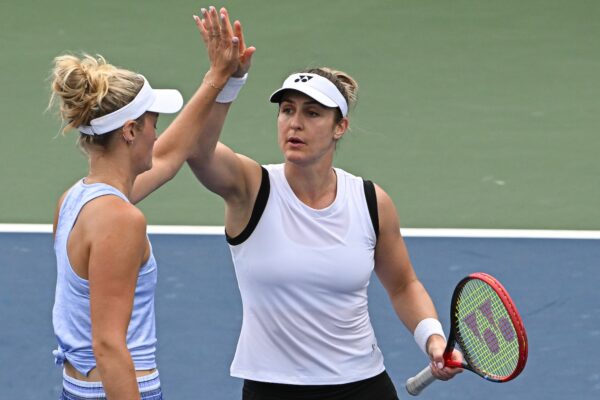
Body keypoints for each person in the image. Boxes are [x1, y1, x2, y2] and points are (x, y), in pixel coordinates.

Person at [186, 6, 463, 400]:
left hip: (363, 387)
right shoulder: (252, 188)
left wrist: (433, 339)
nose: (294, 123)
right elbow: (197, 151)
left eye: (312, 113)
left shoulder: (370, 201)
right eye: (287, 110)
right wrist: (226, 82)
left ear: (340, 127)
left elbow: (403, 285)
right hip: (273, 389)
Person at [49, 7, 247, 398]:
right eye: (154, 123)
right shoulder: (121, 219)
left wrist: (223, 79)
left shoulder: (76, 200)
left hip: (82, 389)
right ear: (130, 131)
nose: (157, 136)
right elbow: (108, 346)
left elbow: (175, 152)